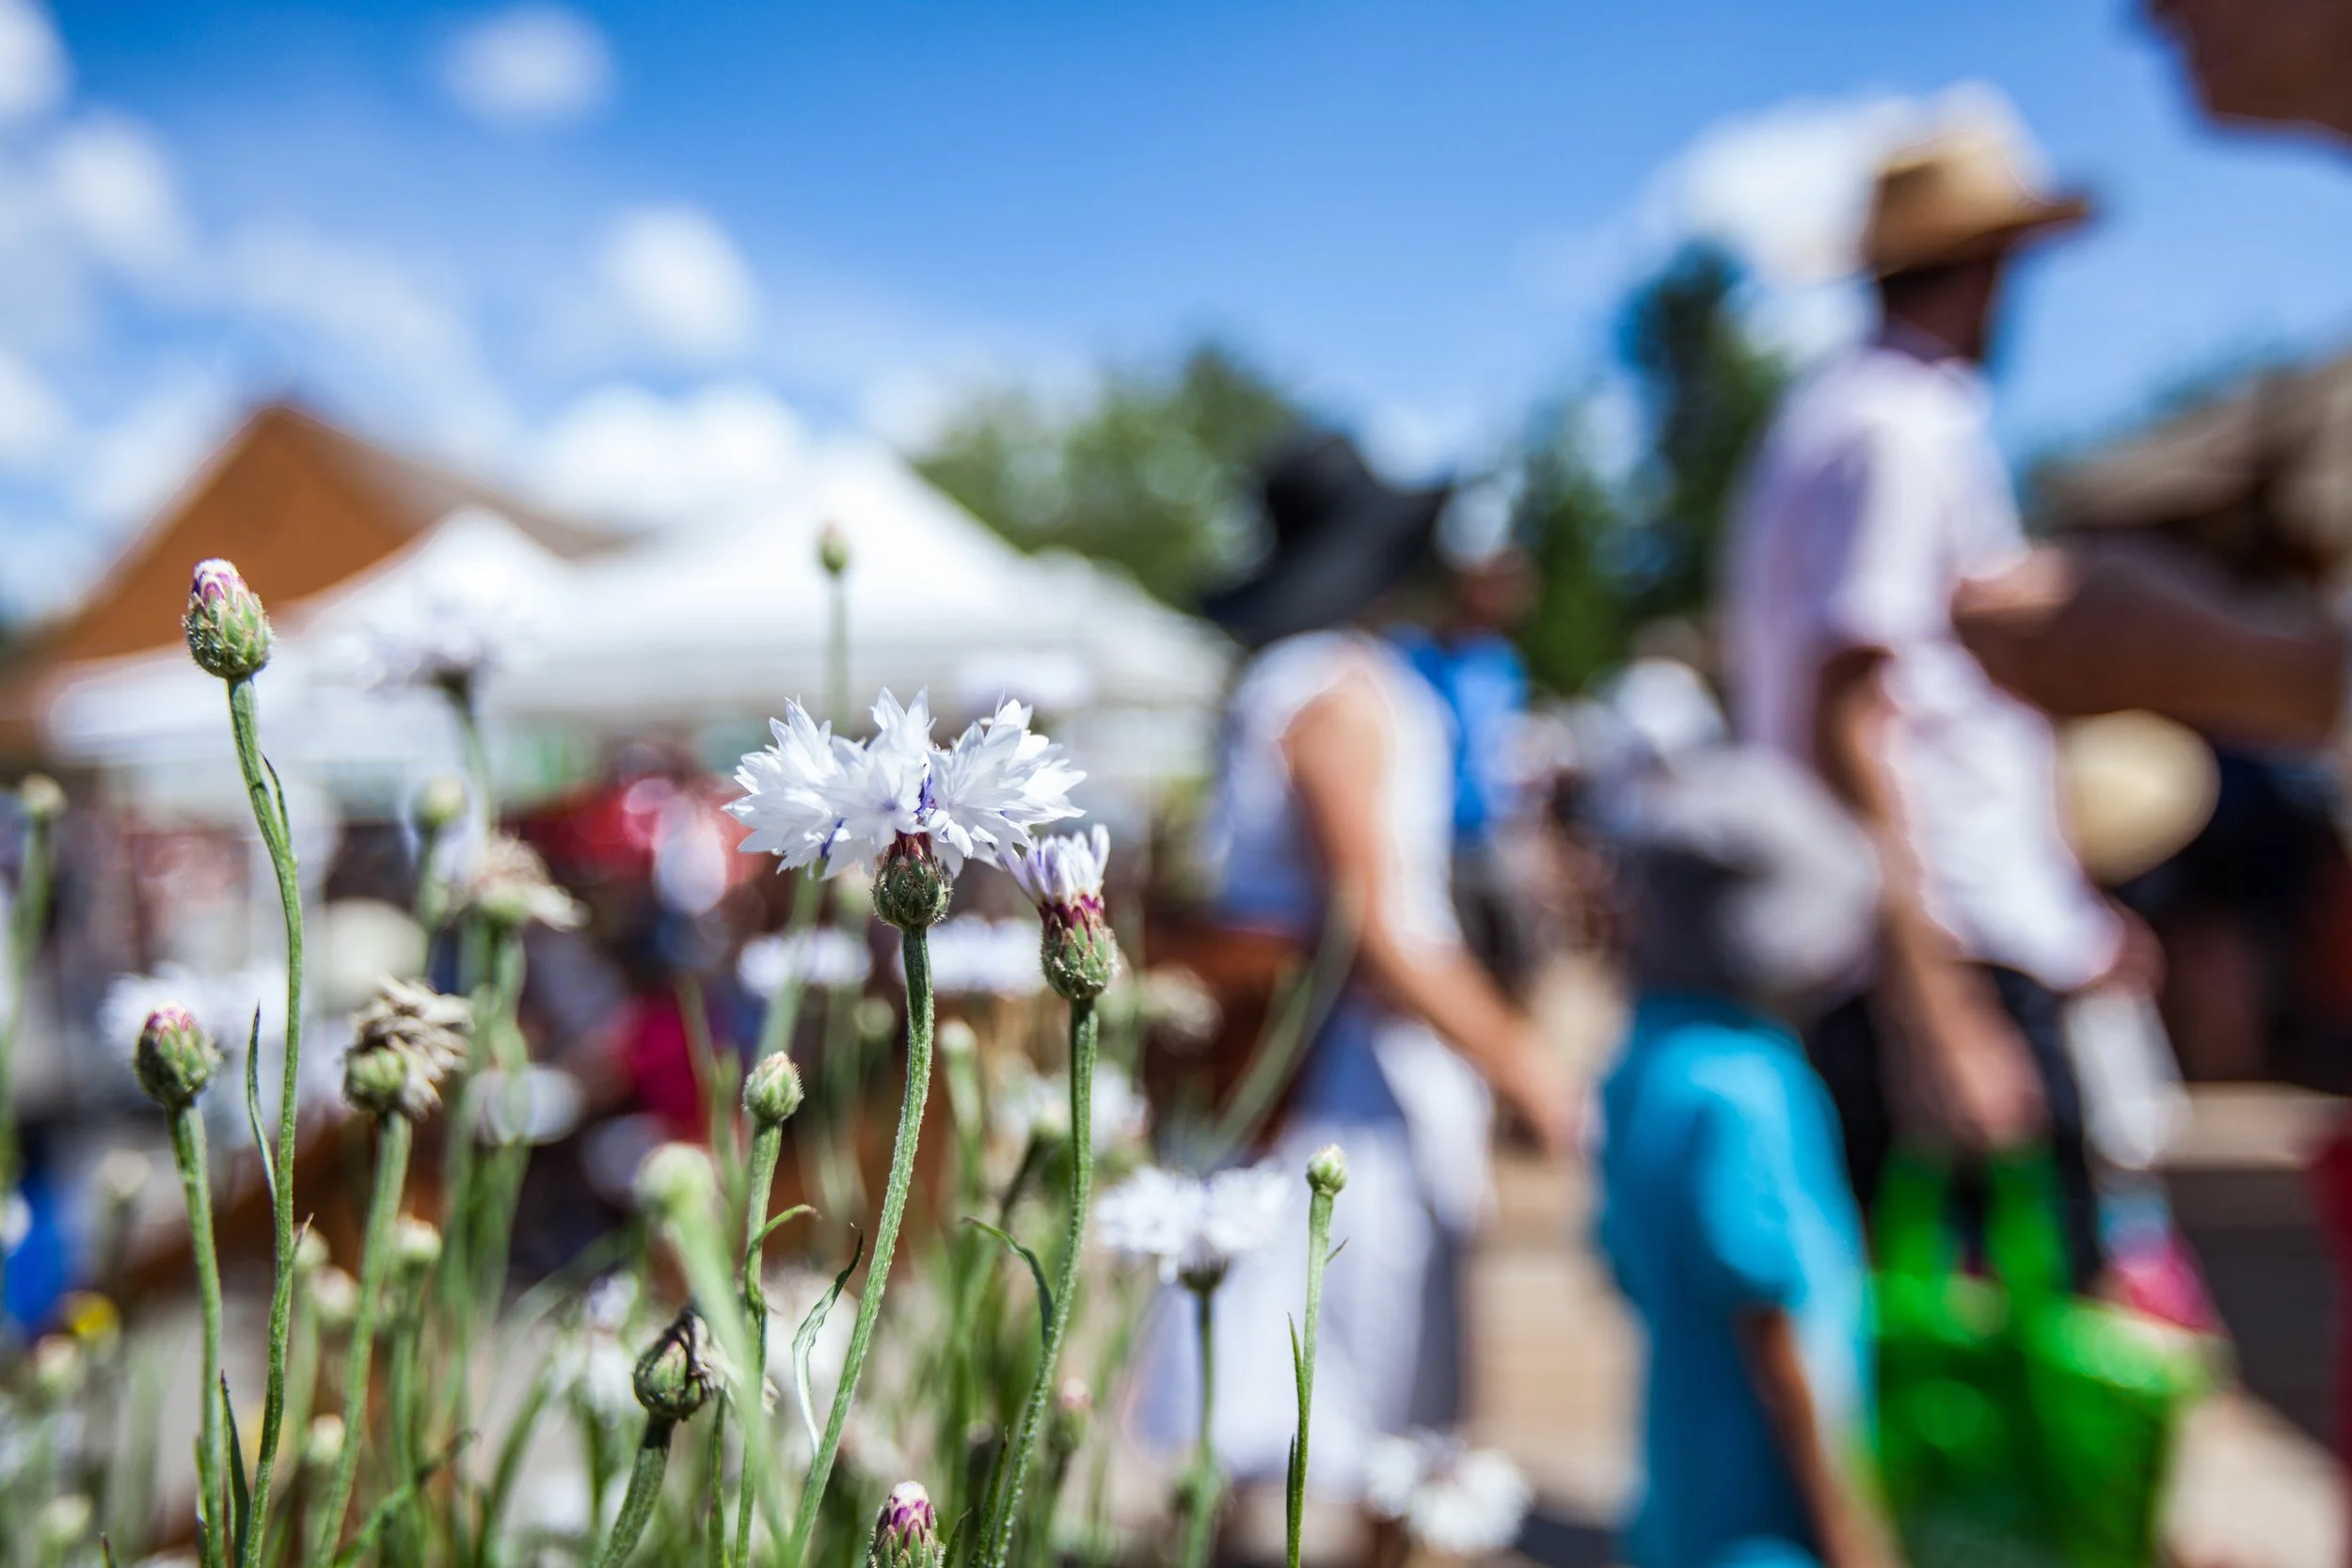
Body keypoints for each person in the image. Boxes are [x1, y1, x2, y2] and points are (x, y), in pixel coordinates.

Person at [1723, 104, 2130, 1289]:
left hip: (1931, 937)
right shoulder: (1896, 427)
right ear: (1993, 264)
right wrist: (1936, 1005)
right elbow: (1852, 710)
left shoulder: (1845, 417)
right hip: (1939, 943)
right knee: (2004, 1346)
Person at [1159, 433, 1571, 1511]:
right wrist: (1525, 1063)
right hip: (1340, 1088)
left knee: (1280, 1406)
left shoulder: (1281, 683)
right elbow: (1376, 927)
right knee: (1345, 1403)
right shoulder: (1338, 692)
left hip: (1280, 1073)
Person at [1597, 746, 1890, 1568]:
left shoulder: (1641, 1060)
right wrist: (1851, 1531)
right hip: (1765, 1521)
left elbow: (1620, 1262)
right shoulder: (1751, 1087)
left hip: (1676, 1496)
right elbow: (1774, 1326)